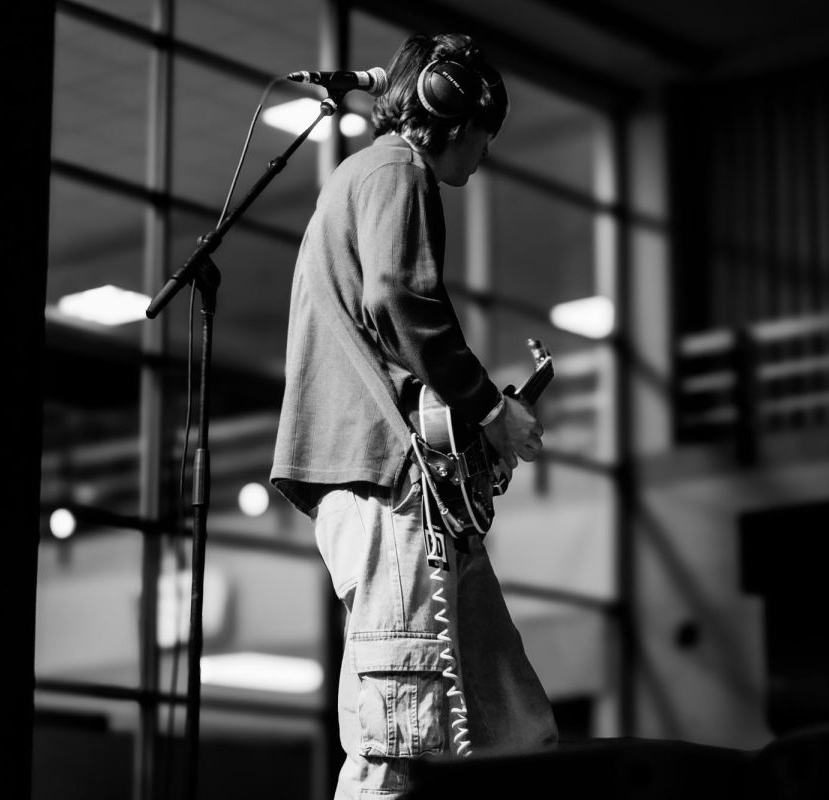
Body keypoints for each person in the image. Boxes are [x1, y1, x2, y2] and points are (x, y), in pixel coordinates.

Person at [270, 32, 558, 799]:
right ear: (454, 119)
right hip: (386, 486)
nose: (481, 159)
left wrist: (471, 422)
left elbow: (390, 336)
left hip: (408, 489)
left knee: (518, 733)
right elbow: (400, 296)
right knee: (394, 741)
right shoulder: (399, 169)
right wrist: (492, 411)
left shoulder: (365, 176)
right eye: (483, 140)